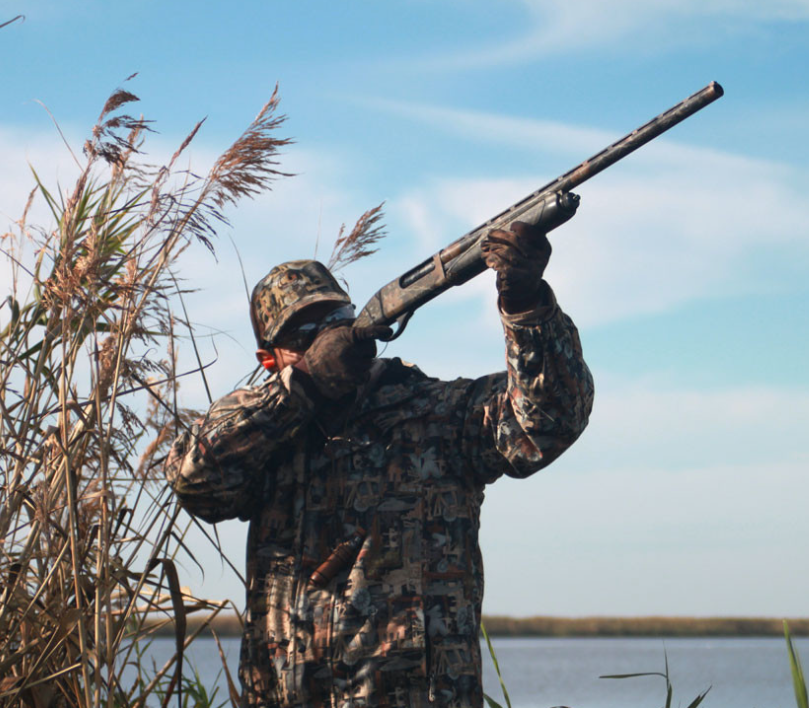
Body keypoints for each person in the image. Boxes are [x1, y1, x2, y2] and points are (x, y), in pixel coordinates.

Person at [165, 221, 593, 707]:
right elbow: (193, 481)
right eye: (305, 333)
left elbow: (549, 421)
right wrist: (301, 387)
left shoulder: (437, 413)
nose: (328, 337)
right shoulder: (265, 439)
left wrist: (526, 306)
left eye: (338, 319)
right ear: (270, 359)